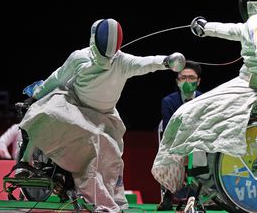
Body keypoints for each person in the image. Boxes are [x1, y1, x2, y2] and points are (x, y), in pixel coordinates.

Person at [17, 18, 185, 212]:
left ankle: (94, 195)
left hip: (104, 118)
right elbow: (58, 77)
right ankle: (24, 161)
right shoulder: (79, 57)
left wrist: (166, 61)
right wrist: (35, 96)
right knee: (43, 111)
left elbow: (146, 63)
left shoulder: (122, 61)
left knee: (108, 155)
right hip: (73, 106)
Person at [152, 0, 257, 196]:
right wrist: (205, 28)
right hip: (254, 84)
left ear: (251, 4)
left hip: (250, 87)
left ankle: (178, 179)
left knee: (185, 113)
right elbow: (234, 30)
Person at [157, 60, 203, 210]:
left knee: (199, 153)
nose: (187, 81)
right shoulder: (168, 101)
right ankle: (169, 194)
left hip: (199, 141)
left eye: (191, 78)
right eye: (183, 78)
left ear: (198, 81)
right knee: (170, 153)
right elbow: (168, 130)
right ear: (177, 82)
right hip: (176, 141)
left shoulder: (205, 100)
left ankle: (194, 196)